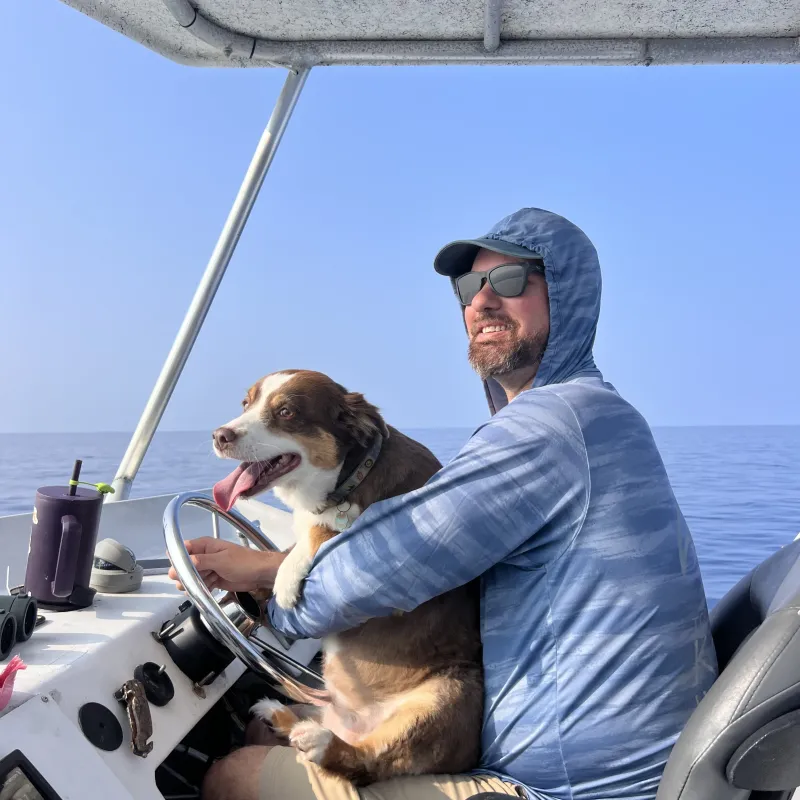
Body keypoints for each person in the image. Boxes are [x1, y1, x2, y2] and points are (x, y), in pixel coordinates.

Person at [170, 208, 718, 800]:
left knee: (232, 775)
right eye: (469, 286)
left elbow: (380, 569)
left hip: (569, 790)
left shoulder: (554, 425)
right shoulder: (597, 414)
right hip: (599, 771)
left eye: (510, 280)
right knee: (263, 728)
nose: (481, 302)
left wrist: (264, 589)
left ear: (569, 295)